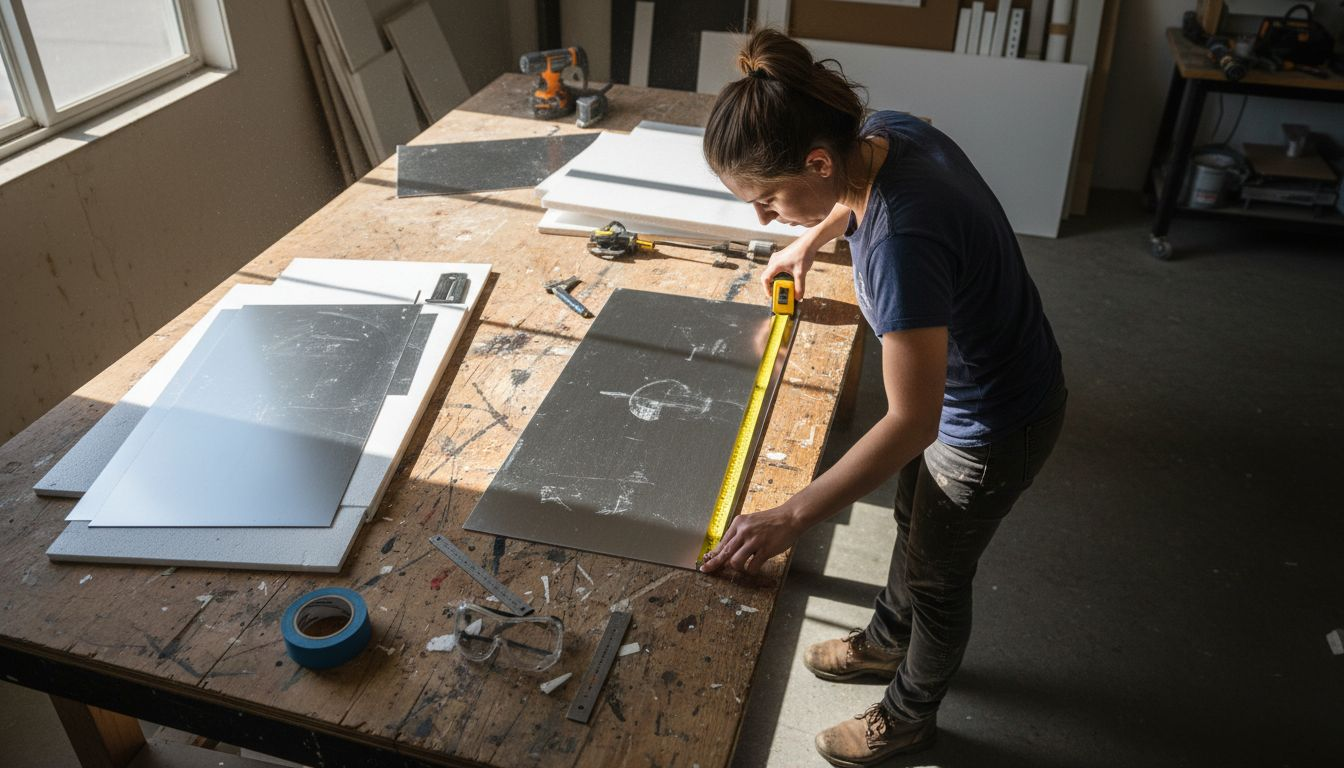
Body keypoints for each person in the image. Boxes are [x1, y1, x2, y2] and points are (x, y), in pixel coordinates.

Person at [697, 29, 1068, 766]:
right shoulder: (886, 132)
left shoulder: (901, 245)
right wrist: (810, 240)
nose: (763, 219)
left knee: (937, 577)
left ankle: (909, 715)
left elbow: (911, 422)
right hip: (976, 390)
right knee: (913, 521)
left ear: (817, 162)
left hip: (994, 420)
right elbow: (865, 185)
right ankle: (885, 641)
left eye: (768, 200)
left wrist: (790, 516)